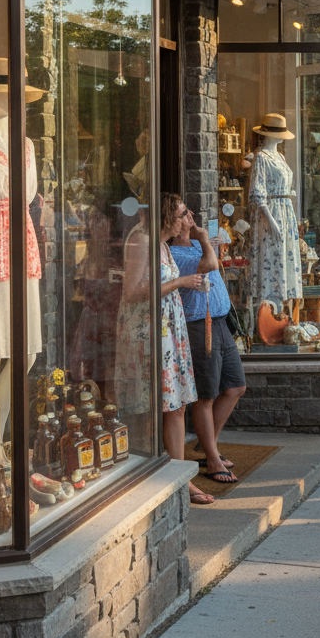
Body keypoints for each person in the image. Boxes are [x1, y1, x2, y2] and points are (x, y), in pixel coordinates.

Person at [121, 193, 210, 505]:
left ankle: (180, 475)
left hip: (168, 331)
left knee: (178, 405)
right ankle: (164, 477)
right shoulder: (141, 242)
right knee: (161, 407)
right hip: (148, 333)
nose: (189, 219)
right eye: (183, 213)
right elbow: (132, 293)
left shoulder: (161, 244)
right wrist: (182, 282)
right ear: (167, 216)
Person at [169, 202, 247, 484]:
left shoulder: (193, 246)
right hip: (199, 325)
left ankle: (207, 444)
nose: (192, 216)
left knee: (236, 386)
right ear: (175, 222)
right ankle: (213, 460)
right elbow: (210, 265)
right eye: (185, 214)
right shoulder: (174, 252)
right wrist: (204, 240)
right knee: (206, 395)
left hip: (220, 321)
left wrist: (205, 242)